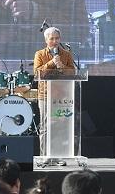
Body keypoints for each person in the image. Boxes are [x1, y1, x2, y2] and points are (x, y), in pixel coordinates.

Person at [33, 27, 76, 155]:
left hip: (62, 95)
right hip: (45, 95)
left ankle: (58, 155)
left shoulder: (66, 54)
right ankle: (44, 157)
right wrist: (52, 63)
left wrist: (61, 66)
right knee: (45, 127)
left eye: (57, 38)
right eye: (51, 38)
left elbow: (72, 72)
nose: (55, 41)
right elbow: (37, 73)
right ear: (46, 40)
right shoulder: (39, 54)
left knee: (60, 127)